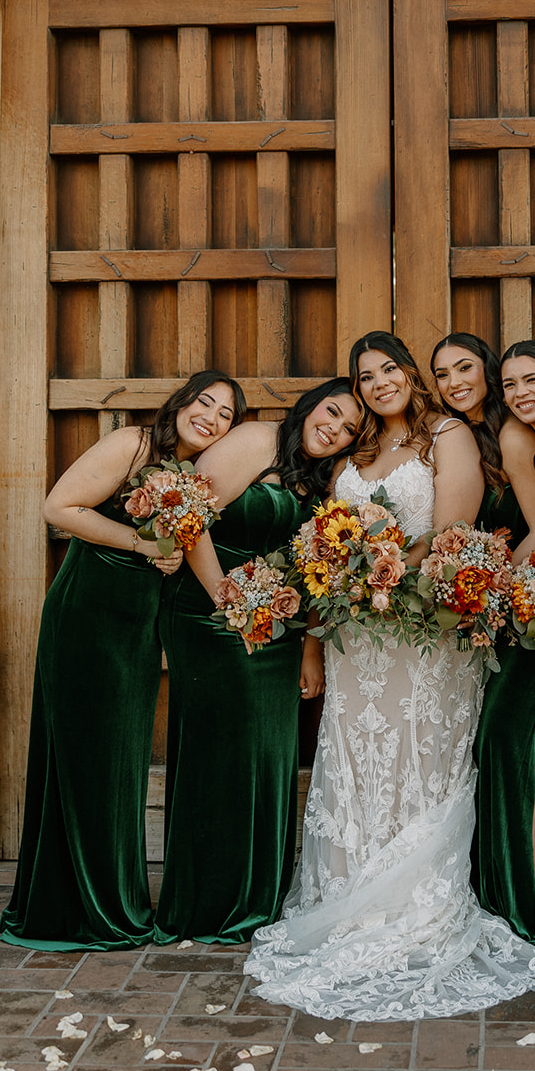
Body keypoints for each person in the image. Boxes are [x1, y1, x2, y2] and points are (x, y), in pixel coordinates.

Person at [245, 330, 535, 1019]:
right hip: (357, 633)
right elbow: (327, 536)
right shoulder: (355, 452)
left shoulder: (446, 434)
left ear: (411, 375)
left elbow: (450, 534)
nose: (380, 381)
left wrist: (378, 566)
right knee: (358, 759)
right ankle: (350, 899)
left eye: (389, 367)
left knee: (420, 757)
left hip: (426, 633)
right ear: (356, 390)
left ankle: (416, 903)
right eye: (365, 375)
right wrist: (332, 604)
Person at [1, 370, 244, 950]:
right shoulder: (133, 445)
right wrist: (140, 543)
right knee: (88, 758)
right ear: (181, 403)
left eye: (225, 414)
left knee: (118, 761)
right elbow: (58, 508)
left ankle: (110, 896)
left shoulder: (196, 478)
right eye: (202, 402)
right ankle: (86, 910)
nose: (209, 416)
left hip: (136, 629)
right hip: (87, 616)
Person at [154, 378, 360, 944]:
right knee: (223, 750)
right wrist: (228, 599)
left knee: (268, 755)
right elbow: (188, 517)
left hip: (278, 623)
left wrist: (310, 643)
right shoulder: (256, 439)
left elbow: (323, 567)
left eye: (348, 430)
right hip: (207, 608)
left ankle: (257, 898)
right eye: (332, 412)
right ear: (311, 404)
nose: (334, 430)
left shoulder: (327, 479)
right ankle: (209, 901)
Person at [431, 333, 535, 942]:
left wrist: (488, 593)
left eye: (466, 369)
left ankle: (534, 883)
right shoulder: (471, 437)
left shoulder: (508, 435)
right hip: (518, 607)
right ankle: (526, 878)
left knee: (507, 735)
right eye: (442, 374)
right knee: (515, 740)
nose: (454, 382)